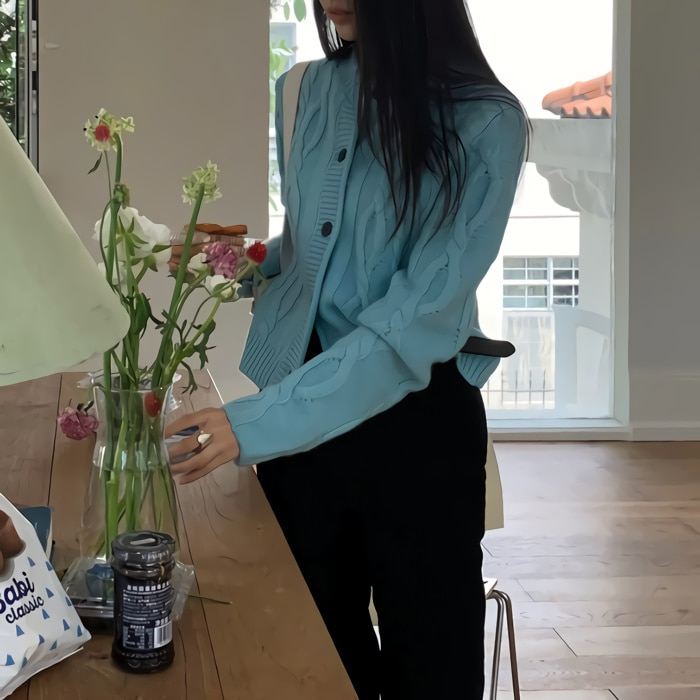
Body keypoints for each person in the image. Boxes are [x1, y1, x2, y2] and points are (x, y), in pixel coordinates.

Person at [166, 0, 527, 697]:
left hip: (417, 425)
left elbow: (412, 323)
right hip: (304, 421)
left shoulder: (488, 121)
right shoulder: (302, 88)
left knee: (433, 670)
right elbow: (316, 245)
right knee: (310, 661)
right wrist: (236, 263)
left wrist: (253, 422)